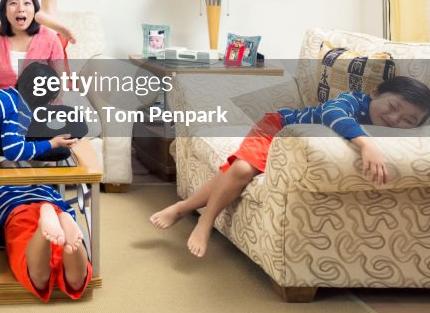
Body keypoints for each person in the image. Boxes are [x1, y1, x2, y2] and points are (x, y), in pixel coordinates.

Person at [149, 76, 430, 257]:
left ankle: (181, 207)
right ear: (375, 92)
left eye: (408, 120)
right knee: (244, 170)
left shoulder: (395, 135)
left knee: (235, 170)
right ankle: (205, 220)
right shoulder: (354, 100)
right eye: (392, 107)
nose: (394, 120)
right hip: (279, 126)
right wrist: (365, 143)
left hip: (293, 149)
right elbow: (332, 113)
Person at [0, 185, 91, 302]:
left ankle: (41, 229)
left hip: (18, 213)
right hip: (54, 207)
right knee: (76, 281)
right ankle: (62, 220)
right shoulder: (45, 184)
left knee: (39, 279)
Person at [0, 0, 64, 91]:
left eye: (27, 3)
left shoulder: (51, 39)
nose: (21, 9)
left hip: (37, 102)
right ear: (5, 10)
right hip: (0, 100)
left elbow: (59, 81)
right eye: (13, 3)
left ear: (35, 9)